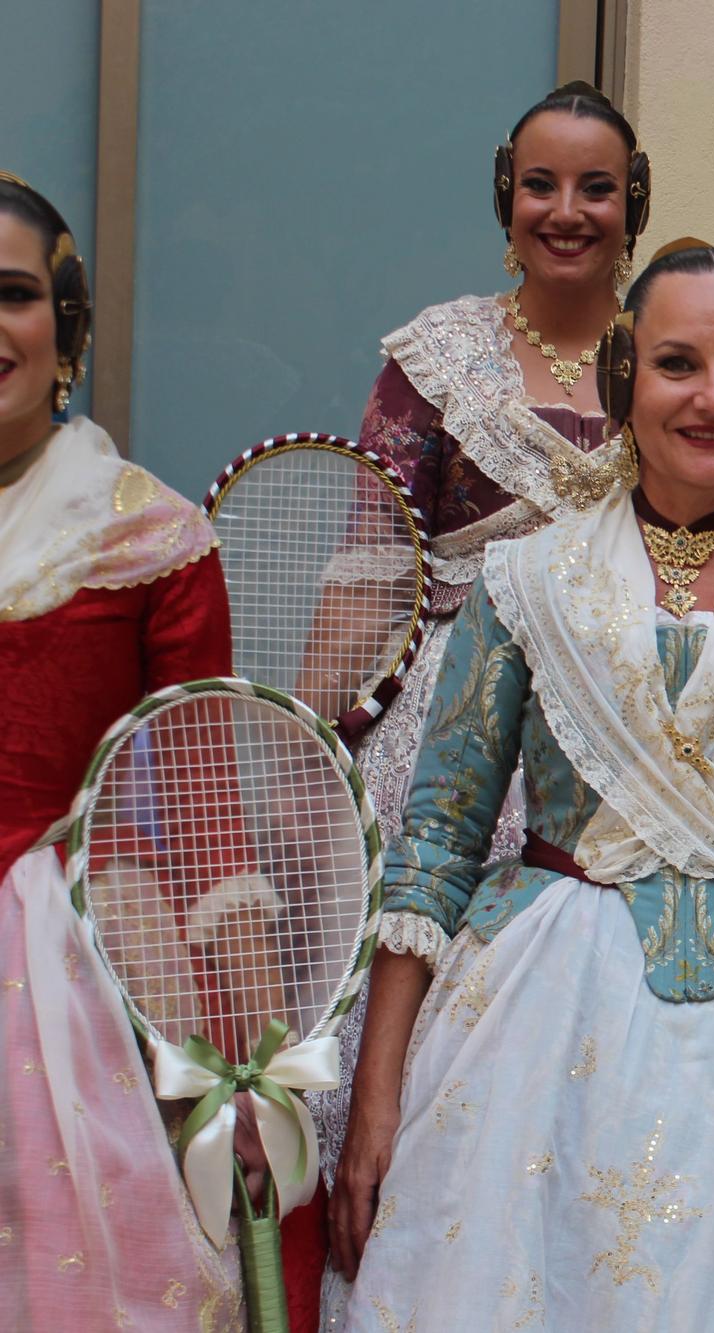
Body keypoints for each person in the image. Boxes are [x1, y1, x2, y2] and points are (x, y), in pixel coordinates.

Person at [333, 242, 714, 1328]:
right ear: (625, 375)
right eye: (678, 363)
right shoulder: (522, 581)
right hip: (541, 1040)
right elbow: (435, 851)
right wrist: (377, 1099)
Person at [307, 79, 662, 1318]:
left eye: (596, 188)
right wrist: (308, 753)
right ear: (504, 198)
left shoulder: (670, 354)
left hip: (612, 753)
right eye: (540, 185)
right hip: (443, 741)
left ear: (637, 205)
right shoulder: (437, 354)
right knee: (421, 1032)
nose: (567, 211)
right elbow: (367, 568)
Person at [0, 171, 249, 1329]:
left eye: (9, 295)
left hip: (72, 967)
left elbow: (204, 803)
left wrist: (244, 1060)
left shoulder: (148, 534)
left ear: (68, 329)